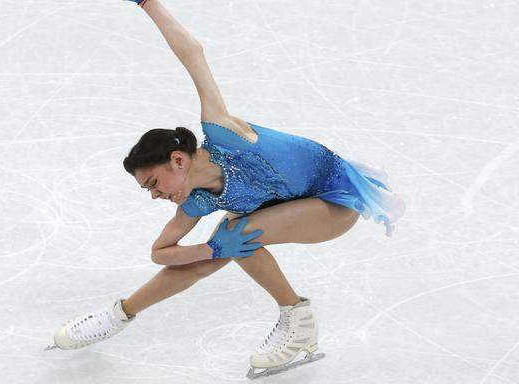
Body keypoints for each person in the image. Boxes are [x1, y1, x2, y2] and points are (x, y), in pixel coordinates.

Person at [46, 0, 405, 378]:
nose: (154, 195)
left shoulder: (224, 134)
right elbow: (160, 253)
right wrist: (209, 249)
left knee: (237, 232)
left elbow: (193, 54)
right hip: (294, 206)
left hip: (336, 201)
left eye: (153, 183)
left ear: (178, 160)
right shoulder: (199, 199)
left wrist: (148, 3)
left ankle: (298, 320)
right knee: (223, 246)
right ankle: (117, 315)